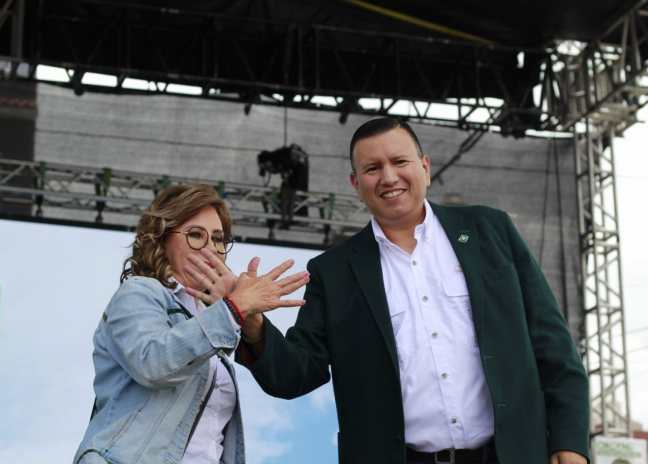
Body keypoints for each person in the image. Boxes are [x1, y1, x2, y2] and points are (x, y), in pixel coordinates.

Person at [233, 118, 590, 464]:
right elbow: (297, 372)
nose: (389, 177)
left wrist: (570, 441)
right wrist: (253, 326)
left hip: (510, 454)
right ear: (355, 183)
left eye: (399, 161)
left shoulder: (489, 230)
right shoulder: (334, 271)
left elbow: (553, 344)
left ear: (425, 167)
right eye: (373, 168)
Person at [73, 184, 309, 464]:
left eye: (219, 239)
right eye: (196, 235)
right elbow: (154, 363)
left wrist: (243, 315)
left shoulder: (210, 321)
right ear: (161, 240)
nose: (211, 247)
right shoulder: (139, 292)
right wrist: (234, 308)